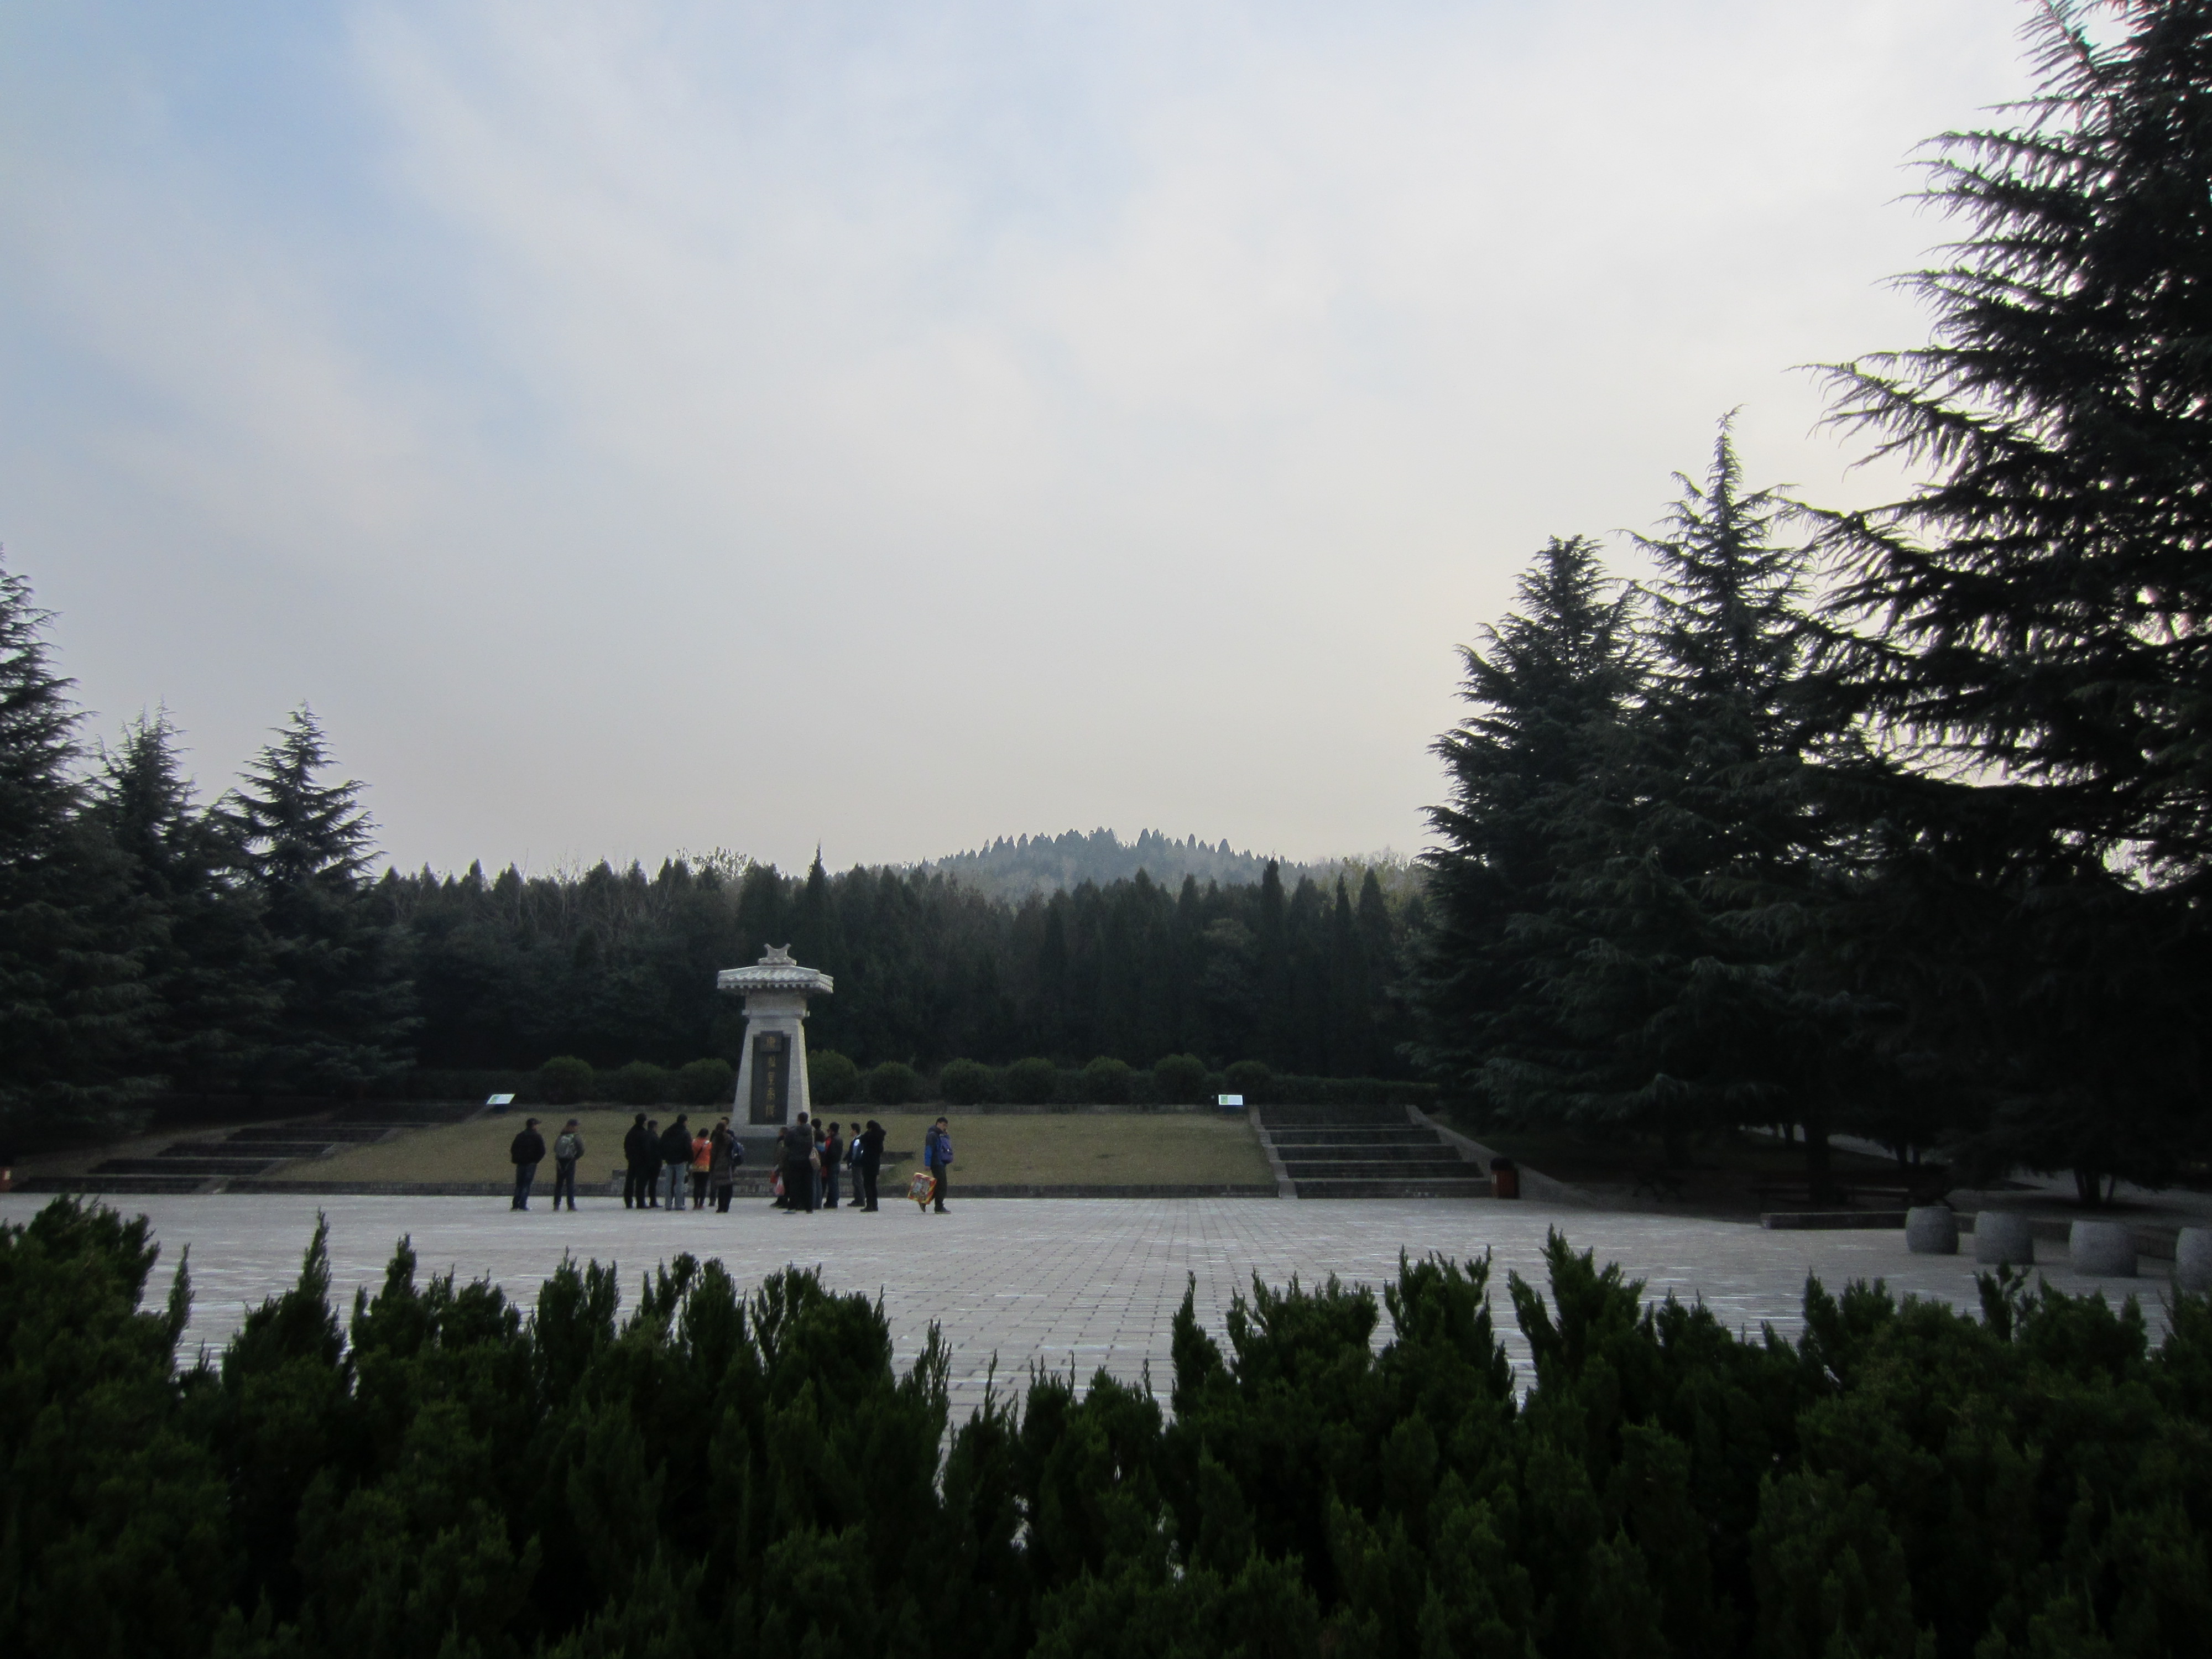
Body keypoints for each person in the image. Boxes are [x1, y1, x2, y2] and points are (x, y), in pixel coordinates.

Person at [782, 1112, 817, 1214]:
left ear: (799, 1120)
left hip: (795, 1160)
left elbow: (787, 1144)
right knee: (808, 1184)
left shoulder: (792, 1131)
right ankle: (809, 1207)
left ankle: (793, 1206)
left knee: (795, 1184)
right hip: (808, 1160)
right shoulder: (811, 1131)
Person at [509, 1117, 546, 1211]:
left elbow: (513, 1149)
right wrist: (535, 1160)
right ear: (533, 1126)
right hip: (531, 1164)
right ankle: (523, 1204)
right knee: (526, 1184)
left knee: (519, 1184)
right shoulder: (537, 1137)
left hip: (521, 1163)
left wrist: (517, 1159)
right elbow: (542, 1151)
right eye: (536, 1125)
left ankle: (515, 1204)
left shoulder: (520, 1136)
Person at [659, 1114, 693, 1211]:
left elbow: (661, 1145)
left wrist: (664, 1156)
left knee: (668, 1183)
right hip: (681, 1161)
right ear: (685, 1122)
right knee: (680, 1183)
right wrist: (690, 1159)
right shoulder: (685, 1133)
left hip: (669, 1161)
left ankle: (668, 1204)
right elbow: (688, 1147)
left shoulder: (667, 1132)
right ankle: (679, 1204)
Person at [551, 1118, 585, 1212]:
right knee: (570, 1184)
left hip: (560, 1162)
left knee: (559, 1183)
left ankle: (556, 1205)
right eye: (576, 1126)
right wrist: (576, 1157)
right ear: (572, 1126)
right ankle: (571, 1205)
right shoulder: (575, 1137)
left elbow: (555, 1149)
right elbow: (581, 1149)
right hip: (570, 1162)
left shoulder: (561, 1136)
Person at [622, 1113, 654, 1209]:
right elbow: (647, 1149)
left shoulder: (631, 1133)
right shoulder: (644, 1134)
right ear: (644, 1122)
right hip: (642, 1162)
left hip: (632, 1160)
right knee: (641, 1183)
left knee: (630, 1181)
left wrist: (629, 1156)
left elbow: (626, 1146)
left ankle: (628, 1202)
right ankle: (640, 1202)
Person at [709, 1118, 740, 1213]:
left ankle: (720, 1206)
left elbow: (713, 1154)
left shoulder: (715, 1139)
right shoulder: (729, 1138)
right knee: (728, 1186)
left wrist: (712, 1166)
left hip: (718, 1163)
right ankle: (726, 1206)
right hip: (727, 1163)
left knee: (721, 1186)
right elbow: (733, 1151)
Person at [924, 1115, 953, 1213]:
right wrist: (927, 1164)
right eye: (943, 1125)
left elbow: (946, 1146)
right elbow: (929, 1149)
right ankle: (939, 1207)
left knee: (939, 1185)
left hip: (941, 1163)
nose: (944, 1127)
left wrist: (946, 1135)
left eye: (946, 1126)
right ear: (938, 1124)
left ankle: (925, 1201)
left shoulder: (940, 1135)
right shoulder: (932, 1135)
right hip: (936, 1163)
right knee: (942, 1186)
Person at [856, 1118, 885, 1212]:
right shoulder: (880, 1137)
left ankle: (869, 1205)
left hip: (868, 1163)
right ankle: (875, 1204)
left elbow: (861, 1139)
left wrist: (867, 1132)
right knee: (873, 1185)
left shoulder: (869, 1136)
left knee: (867, 1184)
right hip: (876, 1163)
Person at [688, 1123, 712, 1212]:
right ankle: (701, 1204)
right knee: (704, 1186)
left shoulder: (694, 1142)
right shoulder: (709, 1143)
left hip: (696, 1166)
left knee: (697, 1186)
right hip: (706, 1167)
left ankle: (696, 1203)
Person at [821, 1120, 844, 1209]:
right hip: (836, 1163)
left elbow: (831, 1153)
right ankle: (830, 1201)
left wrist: (825, 1161)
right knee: (834, 1183)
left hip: (832, 1164)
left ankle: (833, 1202)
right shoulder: (839, 1139)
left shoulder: (833, 1140)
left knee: (832, 1184)